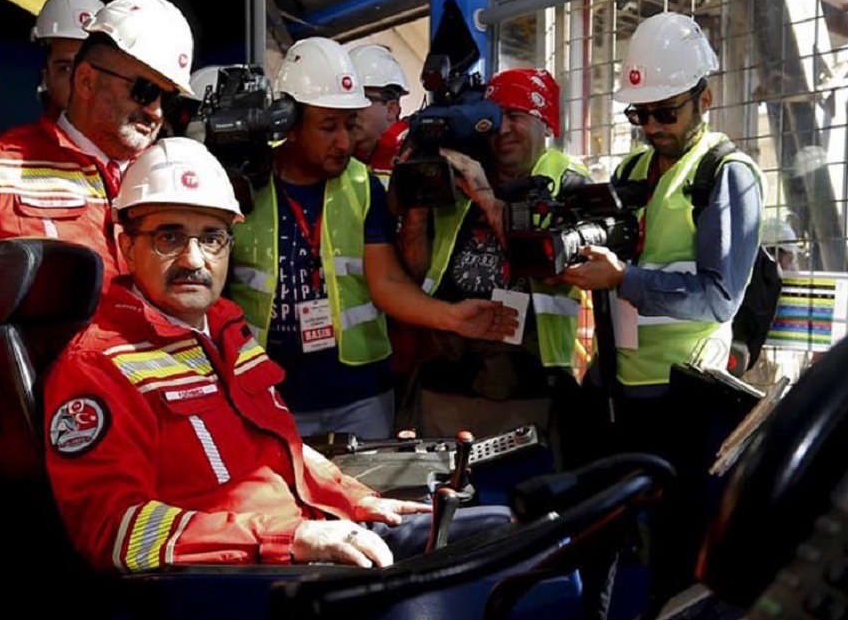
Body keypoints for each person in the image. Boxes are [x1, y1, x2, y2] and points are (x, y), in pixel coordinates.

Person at [45, 138, 513, 571]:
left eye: (211, 237)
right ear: (126, 245)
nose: (193, 259)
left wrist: (355, 498)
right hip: (240, 583)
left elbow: (281, 448)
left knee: (509, 528)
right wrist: (289, 537)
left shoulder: (227, 329)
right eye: (169, 236)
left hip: (303, 538)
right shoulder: (97, 367)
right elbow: (113, 531)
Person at [228, 37, 517, 440]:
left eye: (349, 125)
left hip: (361, 398)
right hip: (269, 396)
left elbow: (386, 281)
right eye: (328, 127)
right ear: (290, 123)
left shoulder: (363, 185)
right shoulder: (242, 185)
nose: (345, 142)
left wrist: (450, 316)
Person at [0, 0, 195, 346]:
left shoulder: (175, 176)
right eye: (144, 91)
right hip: (47, 393)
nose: (157, 111)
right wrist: (9, 322)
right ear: (86, 81)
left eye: (168, 97)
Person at [561, 12, 764, 419]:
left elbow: (718, 299)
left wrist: (623, 278)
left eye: (666, 112)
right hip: (615, 379)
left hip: (683, 389)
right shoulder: (631, 169)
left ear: (703, 100)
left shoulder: (726, 174)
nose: (652, 127)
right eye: (640, 114)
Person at [397, 68, 590, 442]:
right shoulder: (462, 170)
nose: (502, 129)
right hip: (445, 376)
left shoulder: (569, 182)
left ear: (545, 121)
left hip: (529, 382)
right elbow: (417, 270)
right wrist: (418, 199)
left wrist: (485, 195)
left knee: (518, 493)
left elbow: (549, 267)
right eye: (495, 119)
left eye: (516, 116)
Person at [32, 0, 104, 125]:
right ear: (46, 77)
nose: (79, 82)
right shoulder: (11, 147)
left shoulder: (145, 145)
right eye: (66, 69)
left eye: (92, 69)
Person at [348, 43, 410, 181]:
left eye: (362, 100)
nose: (350, 111)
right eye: (347, 102)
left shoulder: (414, 154)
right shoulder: (344, 156)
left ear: (391, 109)